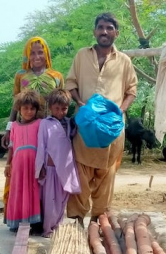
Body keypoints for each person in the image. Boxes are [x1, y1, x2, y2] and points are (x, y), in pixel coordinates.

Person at [65, 12, 138, 225]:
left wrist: (120, 112)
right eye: (100, 27)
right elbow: (71, 83)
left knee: (107, 173)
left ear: (116, 33)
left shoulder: (124, 61)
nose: (104, 32)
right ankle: (76, 219)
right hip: (85, 126)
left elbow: (131, 90)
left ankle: (98, 220)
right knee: (80, 171)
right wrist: (80, 103)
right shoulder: (81, 55)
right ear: (94, 31)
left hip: (112, 129)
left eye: (109, 28)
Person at [1, 36, 64, 149]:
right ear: (27, 56)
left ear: (47, 54)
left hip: (49, 130)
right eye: (32, 53)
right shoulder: (21, 75)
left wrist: (63, 129)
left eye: (40, 52)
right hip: (25, 129)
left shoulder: (56, 76)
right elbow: (15, 105)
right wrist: (8, 129)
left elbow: (61, 104)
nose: (37, 57)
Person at [35, 89, 81, 237]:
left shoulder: (69, 123)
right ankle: (47, 229)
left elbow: (72, 139)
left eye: (64, 109)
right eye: (57, 108)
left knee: (62, 200)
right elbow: (41, 145)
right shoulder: (45, 123)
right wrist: (40, 166)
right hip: (50, 169)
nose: (61, 112)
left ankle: (57, 227)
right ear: (50, 107)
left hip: (66, 169)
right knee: (50, 201)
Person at [4, 90, 42, 232]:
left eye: (32, 108)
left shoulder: (40, 124)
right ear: (19, 109)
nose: (29, 111)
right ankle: (17, 222)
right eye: (25, 108)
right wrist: (8, 164)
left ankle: (34, 222)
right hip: (18, 166)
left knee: (33, 192)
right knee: (18, 191)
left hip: (34, 166)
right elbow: (11, 147)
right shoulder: (14, 126)